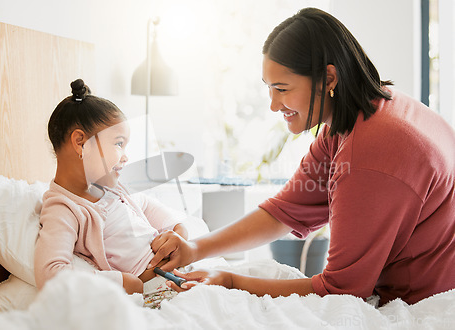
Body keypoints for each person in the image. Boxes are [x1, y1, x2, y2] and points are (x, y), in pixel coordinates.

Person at [149, 7, 455, 306]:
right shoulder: (360, 114)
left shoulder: (372, 152)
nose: (273, 105)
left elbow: (342, 291)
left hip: (423, 302)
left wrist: (231, 281)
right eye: (269, 89)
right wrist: (194, 249)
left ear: (329, 79)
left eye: (282, 89)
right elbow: (285, 210)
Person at [34, 79, 188, 307]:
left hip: (181, 270)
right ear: (80, 142)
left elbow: (154, 210)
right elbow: (50, 274)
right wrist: (121, 282)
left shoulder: (113, 189)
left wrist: (179, 233)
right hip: (158, 290)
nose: (125, 156)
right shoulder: (64, 208)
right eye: (118, 144)